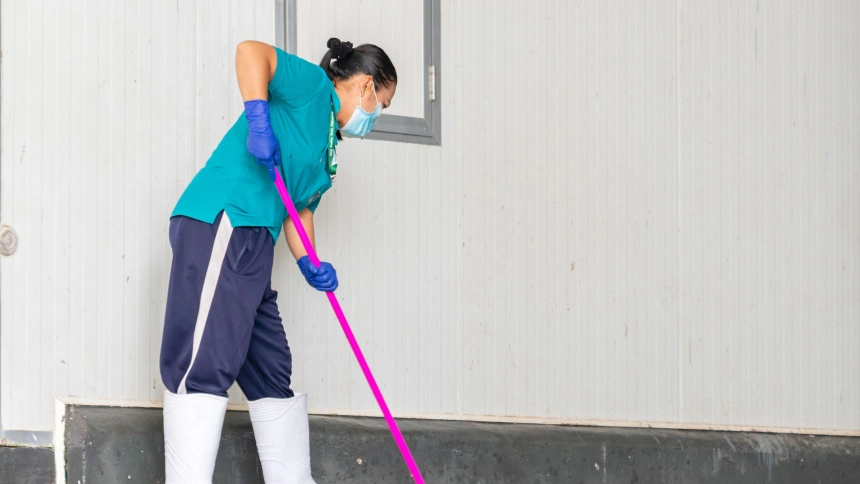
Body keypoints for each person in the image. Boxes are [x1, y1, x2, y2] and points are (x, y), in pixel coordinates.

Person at [159, 37, 397, 483]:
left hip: (257, 241)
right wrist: (258, 119)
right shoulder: (313, 87)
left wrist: (310, 261)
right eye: (381, 104)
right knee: (202, 364)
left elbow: (299, 211)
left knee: (270, 370)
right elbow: (251, 52)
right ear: (366, 86)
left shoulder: (327, 151)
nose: (376, 116)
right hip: (226, 218)